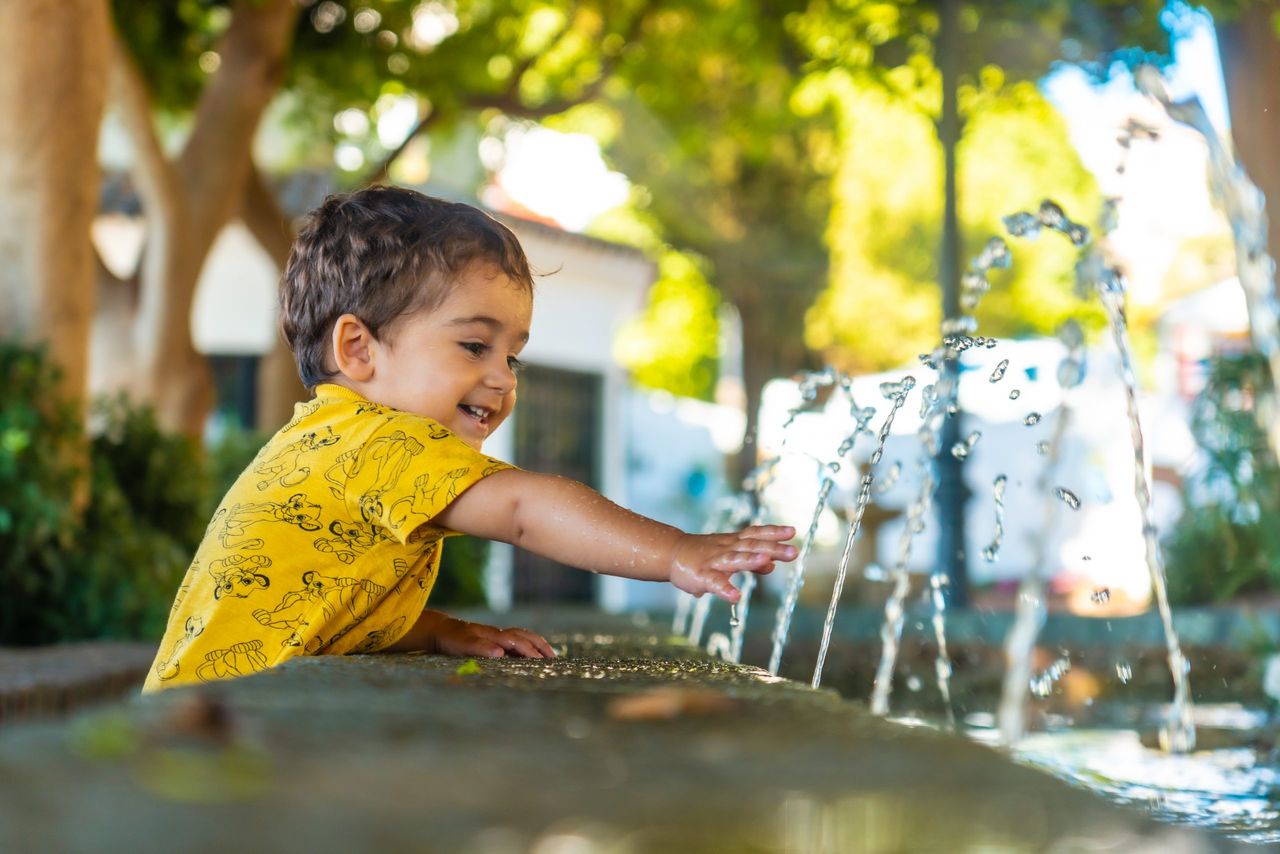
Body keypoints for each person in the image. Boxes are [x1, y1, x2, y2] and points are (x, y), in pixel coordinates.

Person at [143, 187, 795, 692]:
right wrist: (676, 551)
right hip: (213, 738)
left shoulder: (325, 440)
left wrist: (442, 632)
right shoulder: (378, 443)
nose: (500, 378)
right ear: (357, 348)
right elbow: (522, 509)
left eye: (512, 357)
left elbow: (319, 603)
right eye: (473, 345)